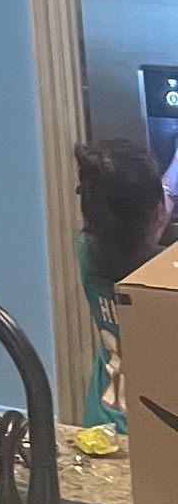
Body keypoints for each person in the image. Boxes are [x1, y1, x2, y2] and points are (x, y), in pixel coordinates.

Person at [75, 136, 175, 429]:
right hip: (157, 433)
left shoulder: (86, 252)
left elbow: (137, 217)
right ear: (158, 213)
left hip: (102, 425)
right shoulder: (167, 275)